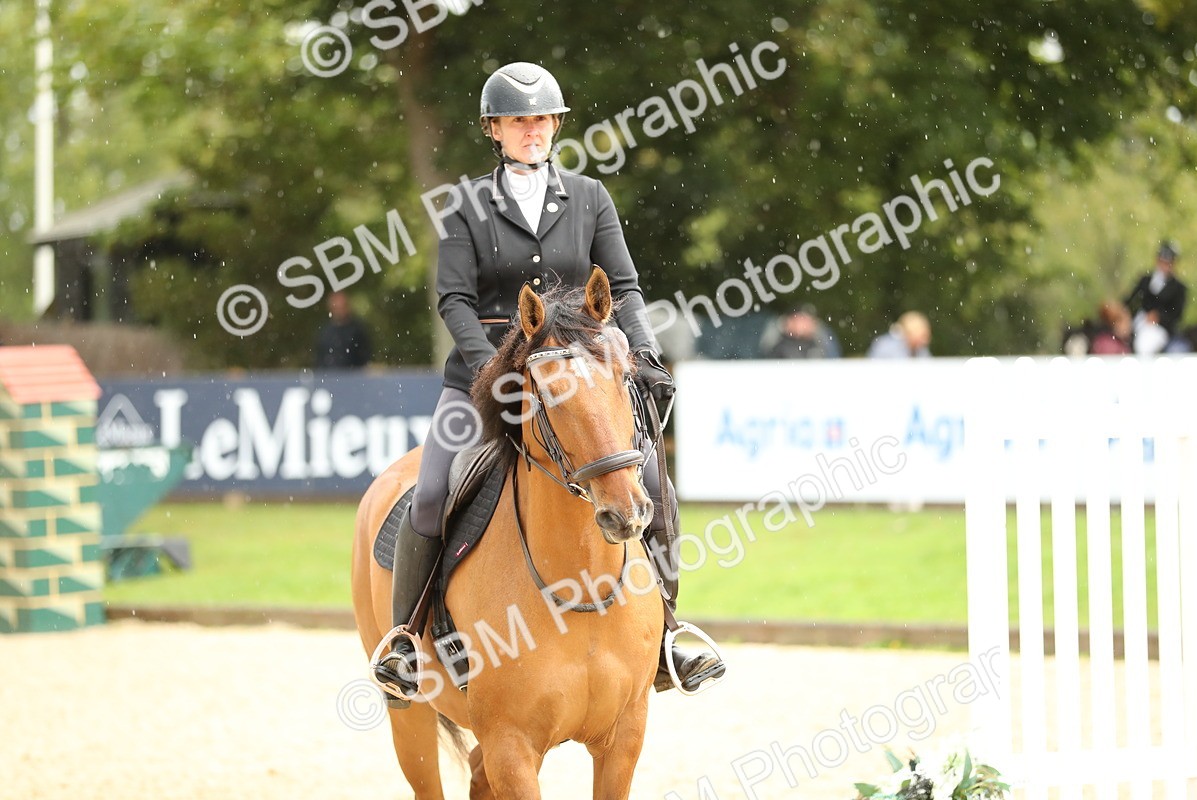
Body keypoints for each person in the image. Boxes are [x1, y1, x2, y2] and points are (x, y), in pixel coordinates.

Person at [371, 62, 724, 700]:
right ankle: (407, 640)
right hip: (484, 376)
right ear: (494, 129)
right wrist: (492, 370)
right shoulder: (465, 205)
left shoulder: (590, 197)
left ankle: (669, 634)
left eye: (540, 119)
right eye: (517, 121)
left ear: (555, 124)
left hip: (580, 375)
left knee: (650, 483)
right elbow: (453, 300)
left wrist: (643, 353)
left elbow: (622, 287)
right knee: (429, 494)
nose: (531, 130)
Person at [1125, 240, 1187, 355]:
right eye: (1162, 261)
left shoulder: (1179, 288)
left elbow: (1177, 315)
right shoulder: (1145, 280)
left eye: (1168, 262)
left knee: (1146, 344)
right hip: (1138, 325)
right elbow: (1130, 302)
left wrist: (1159, 317)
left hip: (1161, 330)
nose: (1165, 265)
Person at [314, 291, 371, 368]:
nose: (339, 311)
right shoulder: (324, 332)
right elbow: (320, 359)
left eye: (341, 307)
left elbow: (365, 358)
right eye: (336, 307)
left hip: (353, 377)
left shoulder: (357, 331)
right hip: (329, 377)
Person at [761, 304, 841, 359]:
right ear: (790, 320)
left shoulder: (819, 342)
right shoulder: (778, 342)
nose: (804, 324)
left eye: (808, 320)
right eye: (800, 319)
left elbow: (833, 358)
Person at [866, 311, 931, 358]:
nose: (926, 340)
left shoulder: (921, 350)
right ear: (909, 333)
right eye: (923, 336)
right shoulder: (885, 347)